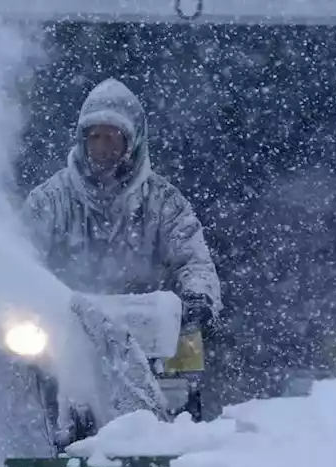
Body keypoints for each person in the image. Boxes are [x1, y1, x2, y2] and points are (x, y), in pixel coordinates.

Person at [19, 77, 222, 329]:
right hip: (63, 334)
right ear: (82, 140)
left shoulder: (164, 201)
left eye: (112, 138)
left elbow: (193, 259)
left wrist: (197, 296)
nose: (102, 148)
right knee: (19, 362)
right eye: (95, 137)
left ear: (133, 141)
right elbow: (22, 255)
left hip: (155, 333)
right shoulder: (50, 199)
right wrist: (24, 297)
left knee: (191, 355)